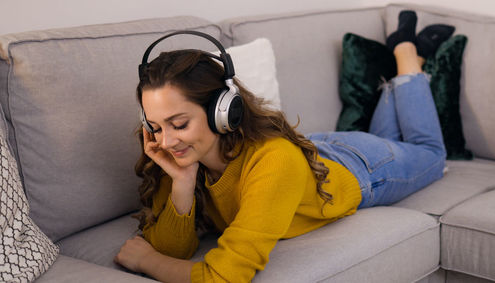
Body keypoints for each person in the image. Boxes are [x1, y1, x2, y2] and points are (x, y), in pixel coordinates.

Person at [114, 10, 453, 283]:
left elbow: (223, 277)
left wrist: (147, 261)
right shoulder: (178, 154)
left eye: (179, 123)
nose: (167, 141)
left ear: (222, 111)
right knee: (395, 142)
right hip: (310, 156)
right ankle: (406, 70)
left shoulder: (273, 161)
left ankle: (405, 52)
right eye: (155, 127)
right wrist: (183, 183)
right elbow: (175, 250)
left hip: (360, 167)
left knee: (433, 155)